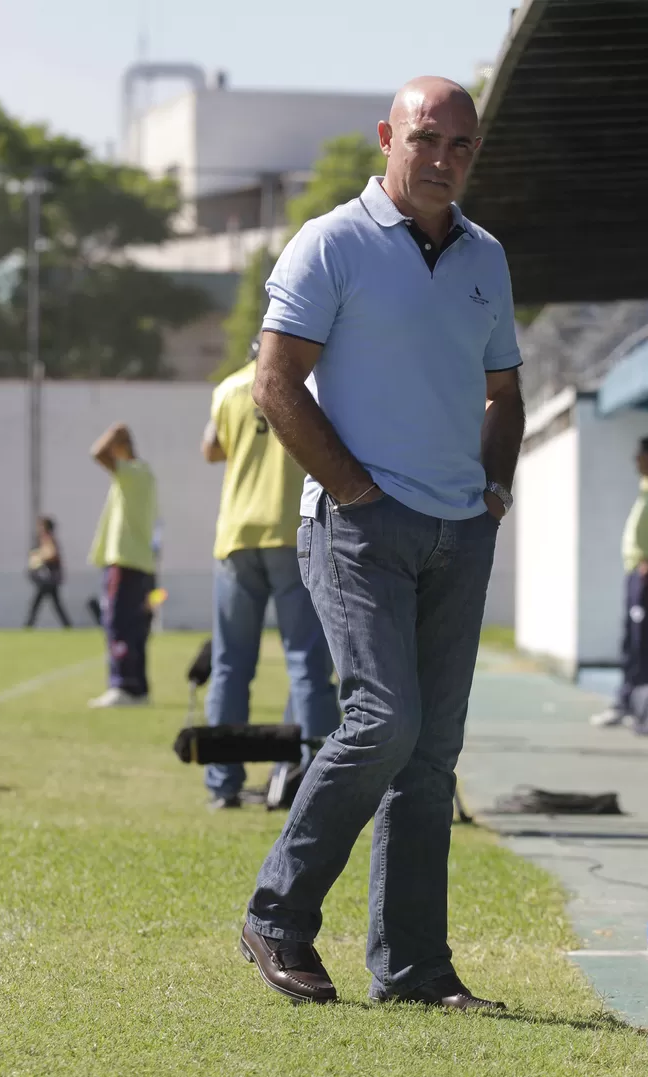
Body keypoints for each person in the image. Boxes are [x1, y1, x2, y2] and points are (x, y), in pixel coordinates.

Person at [239, 77, 525, 1009]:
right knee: (384, 721)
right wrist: (357, 492)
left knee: (431, 755)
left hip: (461, 531)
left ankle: (413, 971)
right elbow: (275, 382)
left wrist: (493, 491)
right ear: (387, 138)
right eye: (425, 138)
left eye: (460, 145)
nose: (442, 158)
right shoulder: (331, 243)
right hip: (358, 528)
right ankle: (277, 915)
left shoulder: (486, 256)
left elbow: (505, 391)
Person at [201, 335, 339, 810]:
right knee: (306, 662)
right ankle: (316, 784)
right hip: (290, 532)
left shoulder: (227, 390)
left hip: (237, 536)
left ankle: (223, 784)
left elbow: (211, 449)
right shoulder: (307, 384)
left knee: (230, 665)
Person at [87, 422, 157, 708]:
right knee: (136, 626)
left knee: (118, 622)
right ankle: (138, 688)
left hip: (125, 561)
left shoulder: (133, 473)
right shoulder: (143, 475)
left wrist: (114, 433)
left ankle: (122, 684)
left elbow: (97, 453)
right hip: (140, 563)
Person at [591, 436, 648, 728]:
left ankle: (638, 707)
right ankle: (629, 703)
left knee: (642, 643)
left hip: (646, 575)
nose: (636, 460)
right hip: (636, 574)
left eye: (641, 455)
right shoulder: (646, 487)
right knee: (632, 641)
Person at [25, 516, 72, 628]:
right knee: (54, 604)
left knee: (38, 603)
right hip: (49, 578)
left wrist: (39, 558)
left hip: (49, 578)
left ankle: (29, 624)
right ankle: (67, 625)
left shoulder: (48, 539)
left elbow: (52, 555)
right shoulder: (45, 539)